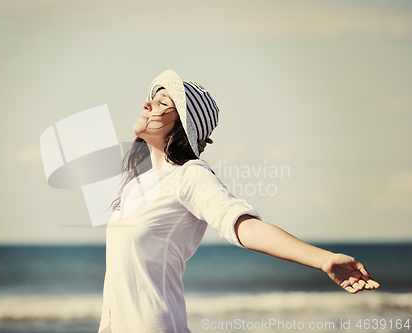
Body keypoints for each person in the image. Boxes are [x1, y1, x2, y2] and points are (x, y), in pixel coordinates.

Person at [97, 70, 380, 333]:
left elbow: (245, 226)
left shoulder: (190, 175)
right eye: (151, 99)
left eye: (162, 103)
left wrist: (324, 259)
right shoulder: (135, 185)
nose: (148, 105)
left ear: (183, 125)